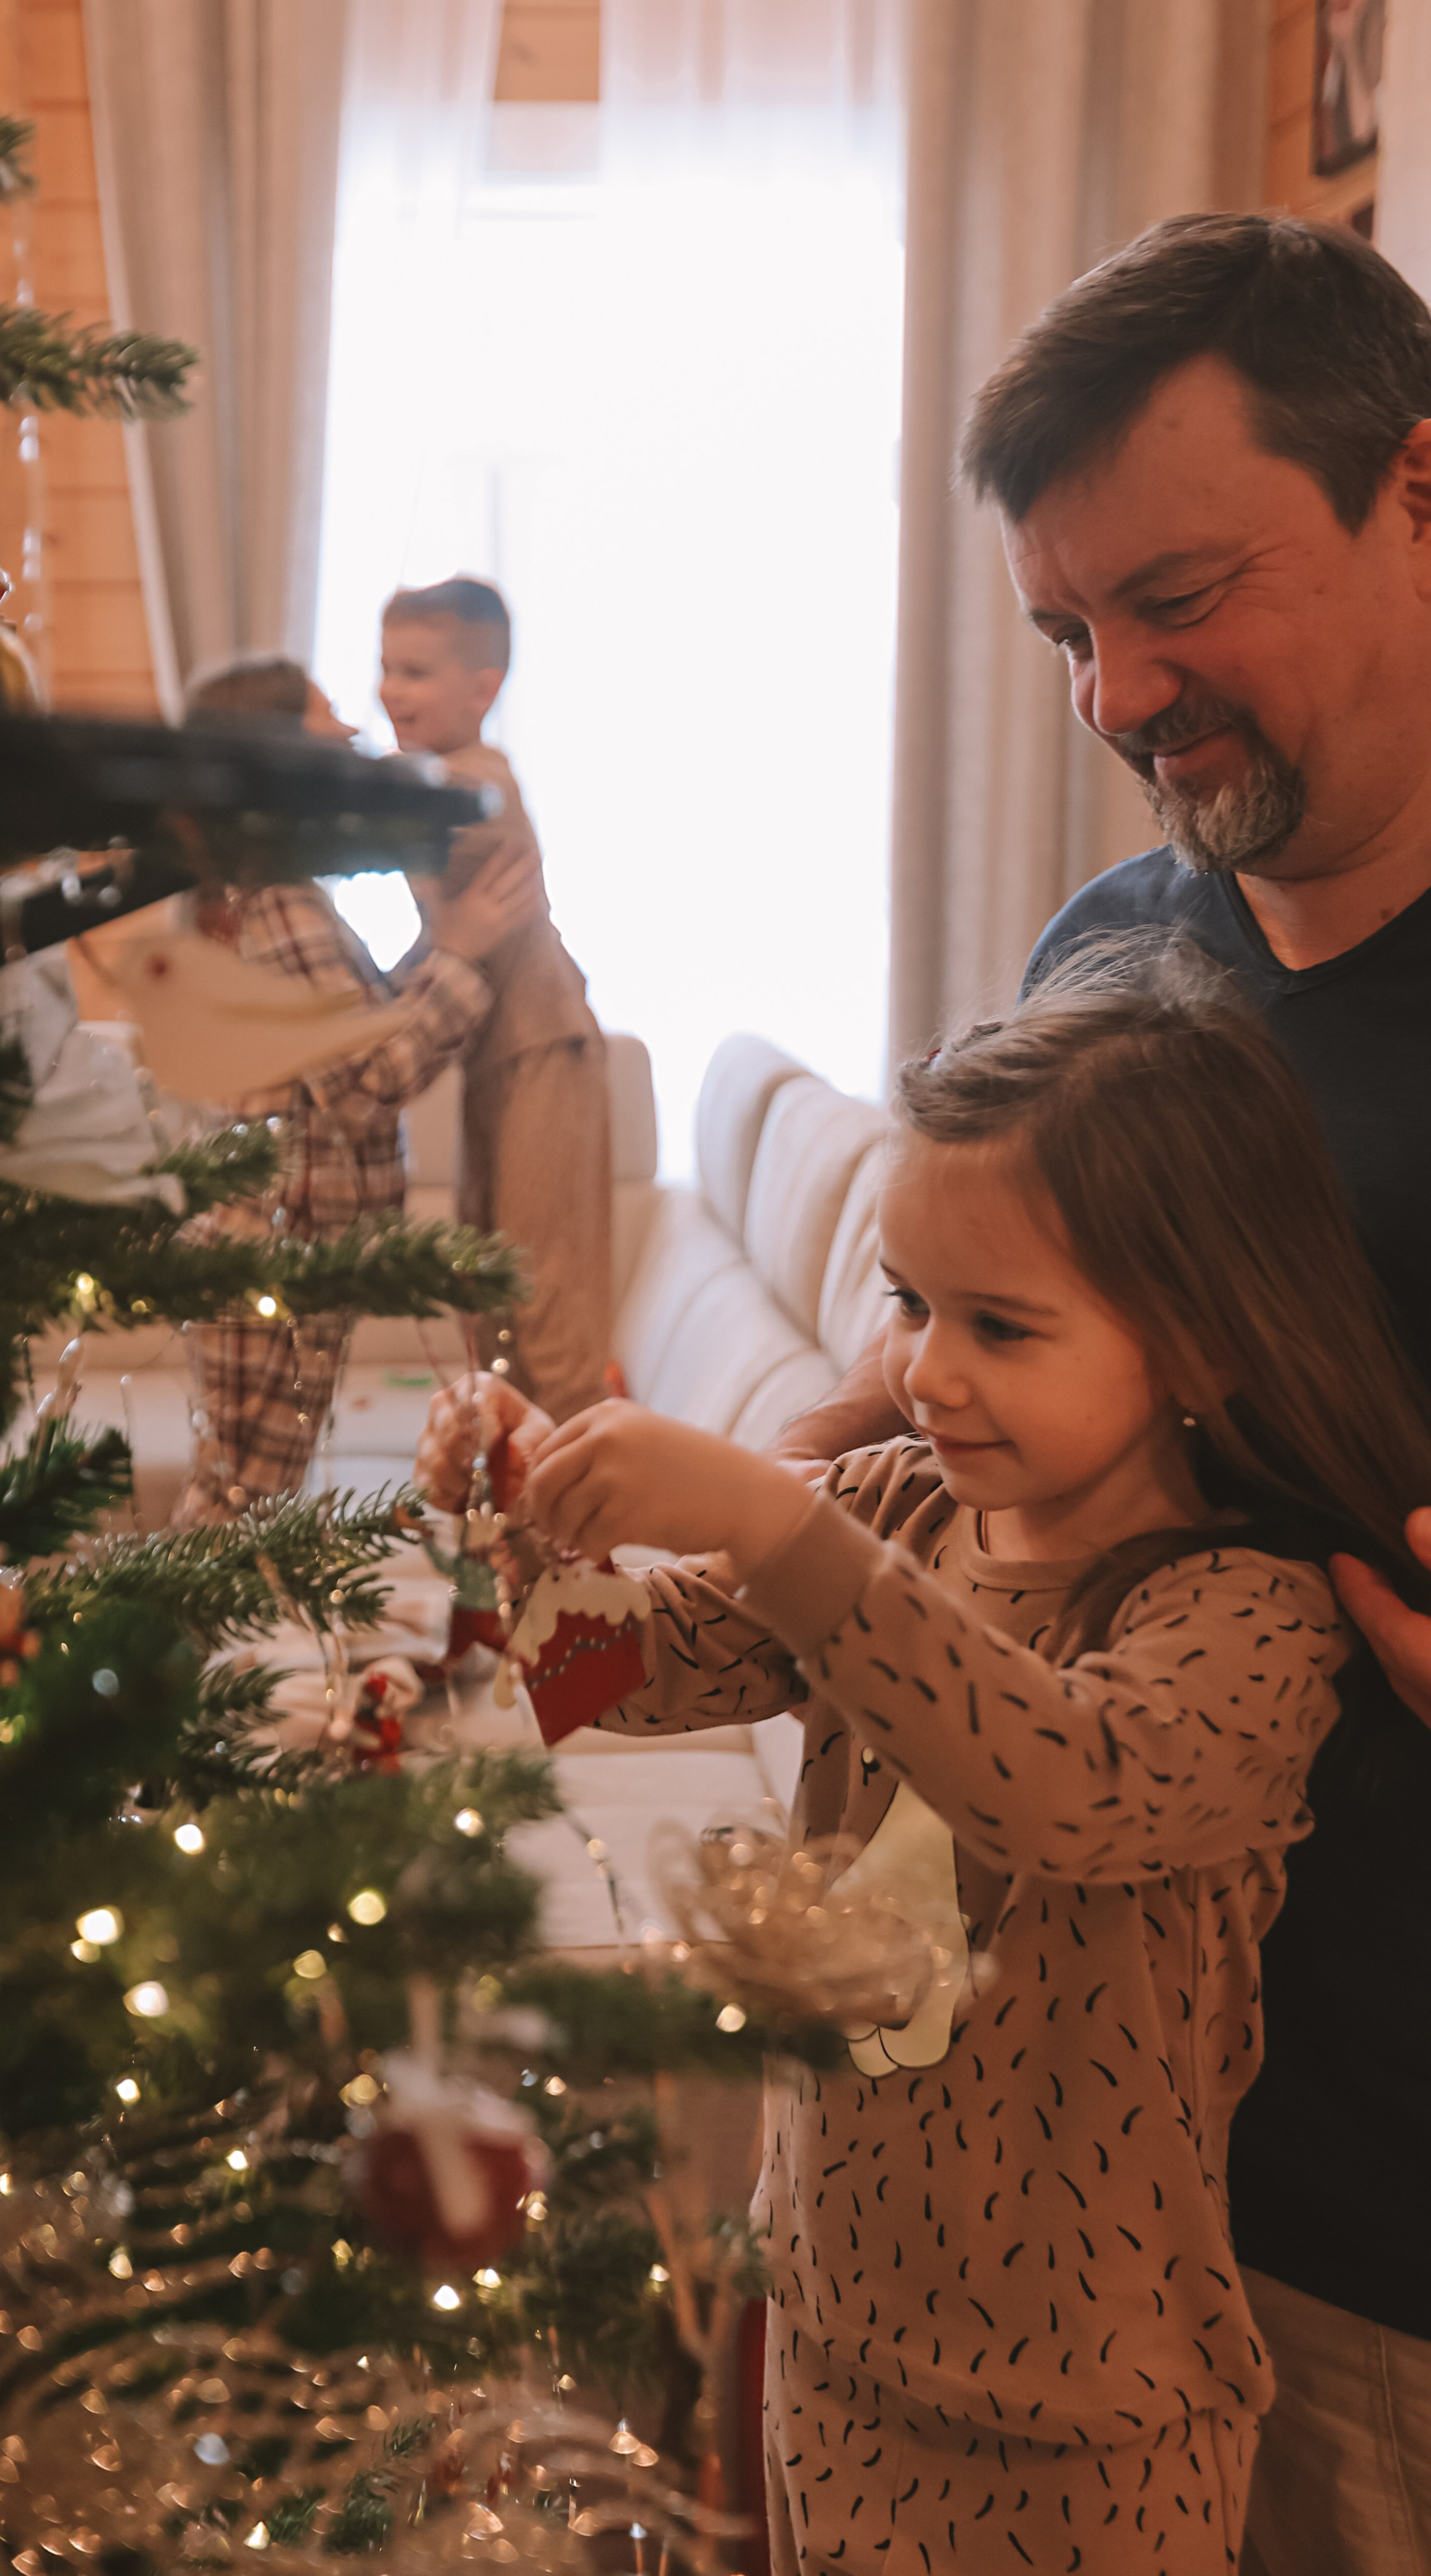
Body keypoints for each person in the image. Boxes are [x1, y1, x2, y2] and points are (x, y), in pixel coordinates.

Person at [417, 947, 1431, 2571]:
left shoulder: (1244, 1613)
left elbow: (1065, 1786)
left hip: (1091, 2433)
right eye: (908, 1304)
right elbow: (602, 1674)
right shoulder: (895, 1506)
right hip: (829, 2341)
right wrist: (509, 1519)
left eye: (1000, 1326)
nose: (924, 1370)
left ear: (1197, 1342)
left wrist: (773, 1521)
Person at [773, 215, 1431, 2570]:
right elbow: (973, 1341)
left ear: (1416, 491)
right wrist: (825, 1447)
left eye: (1178, 598)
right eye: (1067, 632)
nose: (1120, 695)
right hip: (1029, 2213)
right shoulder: (1113, 951)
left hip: (1374, 2243)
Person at [169, 651, 544, 1523]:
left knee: (251, 1492)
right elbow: (368, 1080)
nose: (348, 729)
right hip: (274, 1250)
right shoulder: (276, 903)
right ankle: (178, 1619)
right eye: (323, 716)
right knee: (240, 1500)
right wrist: (460, 955)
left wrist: (442, 942)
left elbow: (358, 1030)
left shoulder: (278, 894)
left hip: (293, 1251)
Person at [379, 578, 613, 1421]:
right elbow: (447, 940)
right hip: (497, 1057)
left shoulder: (480, 785)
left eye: (414, 672)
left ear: (484, 690)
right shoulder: (432, 781)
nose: (390, 692)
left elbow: (409, 819)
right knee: (489, 1291)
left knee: (544, 1296)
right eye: (384, 669)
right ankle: (512, 1477)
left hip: (545, 1048)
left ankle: (585, 1478)